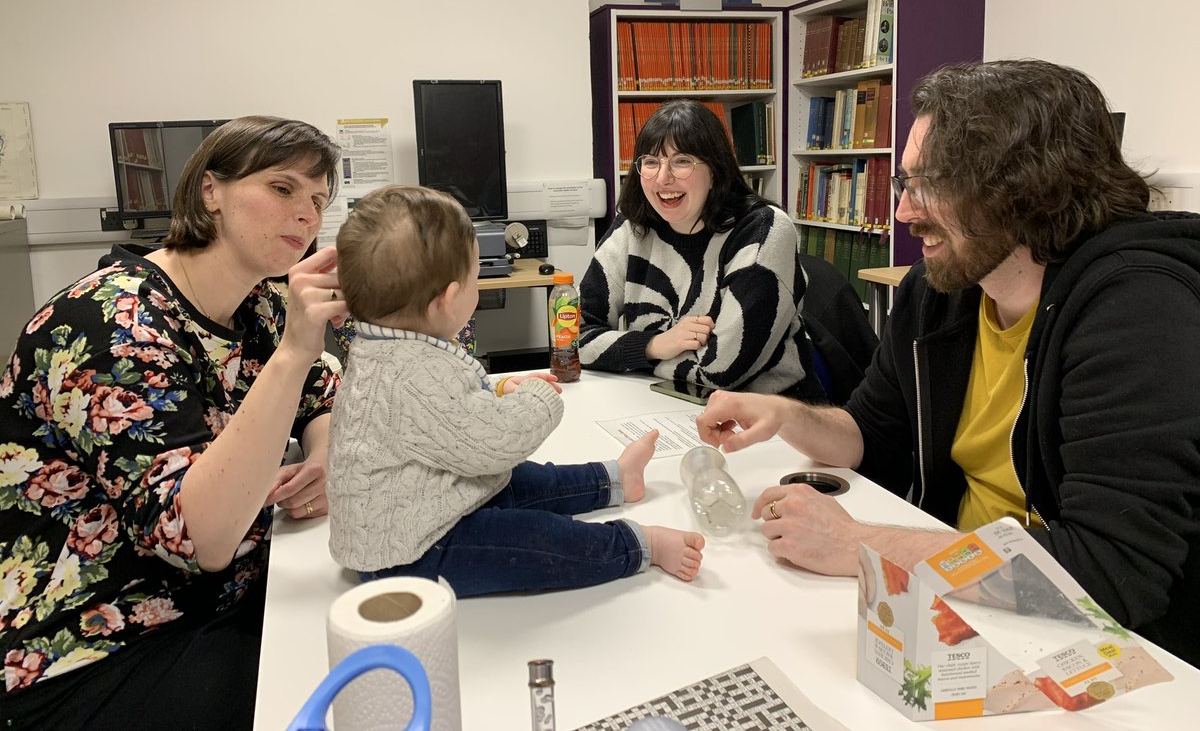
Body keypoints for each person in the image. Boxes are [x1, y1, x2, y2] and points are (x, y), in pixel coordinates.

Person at [697, 59, 1200, 667]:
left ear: (1025, 189)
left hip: (1105, 651)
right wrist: (786, 414)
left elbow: (1109, 576)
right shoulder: (942, 289)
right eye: (905, 183)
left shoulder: (1139, 309)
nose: (905, 212)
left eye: (929, 184)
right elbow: (872, 434)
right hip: (971, 604)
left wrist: (861, 545)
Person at [0, 117, 344, 727]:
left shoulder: (258, 304)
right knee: (339, 689)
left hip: (209, 602)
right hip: (89, 647)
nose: (307, 215)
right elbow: (201, 538)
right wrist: (293, 352)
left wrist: (319, 458)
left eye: (318, 200)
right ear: (210, 190)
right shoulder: (106, 323)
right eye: (282, 188)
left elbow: (323, 397)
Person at [326, 185, 704, 597]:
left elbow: (436, 411)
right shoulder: (409, 371)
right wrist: (536, 401)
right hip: (411, 553)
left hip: (423, 507)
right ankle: (634, 545)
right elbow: (498, 443)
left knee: (519, 483)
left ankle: (614, 479)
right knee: (534, 538)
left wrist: (500, 386)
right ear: (449, 300)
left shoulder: (383, 348)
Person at [579, 99, 824, 399]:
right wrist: (656, 344)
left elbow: (721, 373)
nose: (663, 178)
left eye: (682, 161)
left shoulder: (762, 230)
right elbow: (575, 340)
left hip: (767, 417)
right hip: (660, 403)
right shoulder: (633, 227)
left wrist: (625, 353)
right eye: (651, 162)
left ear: (716, 171)